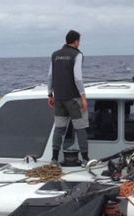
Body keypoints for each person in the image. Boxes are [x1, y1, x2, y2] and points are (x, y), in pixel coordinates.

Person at [47, 30, 89, 166]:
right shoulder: (77, 55)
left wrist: (50, 94)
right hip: (73, 99)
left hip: (59, 99)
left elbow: (50, 76)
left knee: (59, 129)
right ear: (76, 41)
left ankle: (54, 159)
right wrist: (83, 97)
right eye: (79, 41)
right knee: (80, 128)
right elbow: (77, 78)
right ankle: (85, 159)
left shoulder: (55, 55)